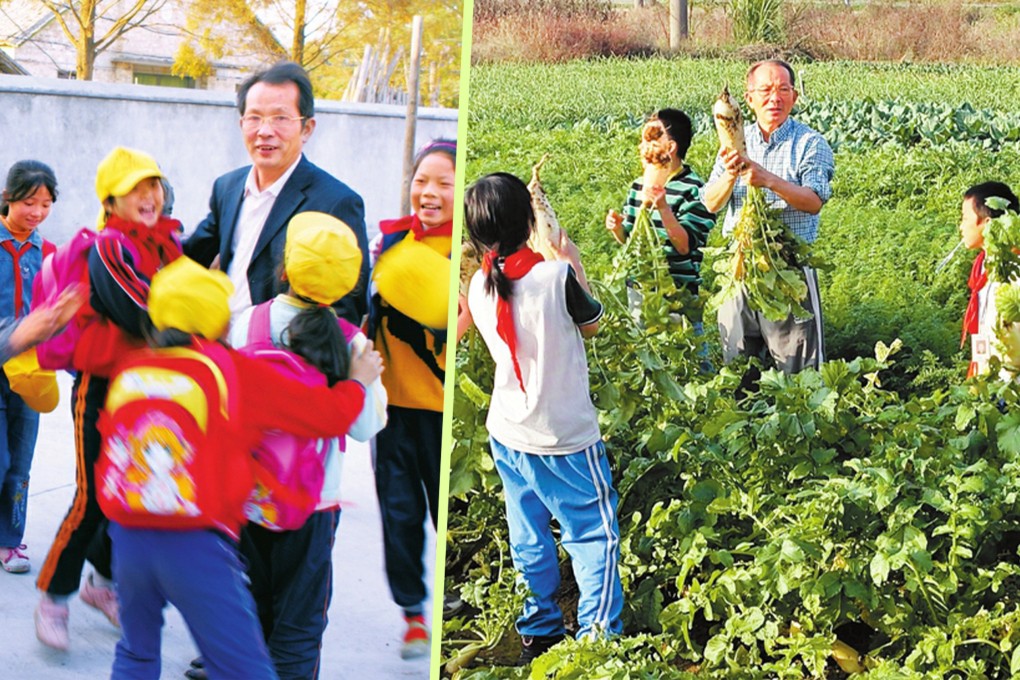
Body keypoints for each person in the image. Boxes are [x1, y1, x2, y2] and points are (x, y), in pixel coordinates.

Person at [98, 255, 383, 680]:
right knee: (245, 668)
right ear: (216, 321)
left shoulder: (131, 370)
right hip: (194, 543)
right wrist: (357, 381)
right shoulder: (227, 370)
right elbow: (326, 415)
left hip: (127, 538)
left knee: (137, 653)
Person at [463, 172, 624, 664]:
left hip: (509, 433)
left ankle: (538, 626)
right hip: (565, 438)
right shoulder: (555, 278)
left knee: (528, 531)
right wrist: (569, 259)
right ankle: (597, 640)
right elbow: (594, 324)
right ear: (529, 221)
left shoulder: (478, 284)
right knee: (594, 534)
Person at [223, 212, 387, 680]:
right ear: (345, 285)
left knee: (251, 608)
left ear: (285, 268)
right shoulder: (352, 345)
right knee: (300, 622)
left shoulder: (244, 325)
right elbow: (363, 427)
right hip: (313, 507)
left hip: (247, 498)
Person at [34, 146, 183, 651]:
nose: (149, 197)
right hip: (102, 391)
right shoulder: (109, 248)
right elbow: (141, 312)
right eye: (136, 189)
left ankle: (101, 586)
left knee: (129, 500)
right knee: (91, 499)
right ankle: (54, 596)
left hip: (151, 394)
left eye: (154, 185)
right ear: (111, 199)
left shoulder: (169, 245)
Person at [184, 60, 369, 326]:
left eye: (280, 118)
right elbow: (192, 256)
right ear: (242, 124)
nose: (265, 131)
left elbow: (346, 309)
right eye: (255, 118)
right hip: (219, 347)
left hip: (281, 357)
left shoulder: (336, 202)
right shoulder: (227, 187)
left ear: (306, 128)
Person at [367, 138, 454, 658]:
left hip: (444, 413)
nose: (429, 192)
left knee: (448, 515)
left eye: (443, 182)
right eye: (423, 180)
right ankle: (414, 615)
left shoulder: (470, 249)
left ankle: (450, 601)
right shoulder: (392, 244)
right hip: (393, 411)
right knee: (398, 516)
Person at [702, 59, 835, 374]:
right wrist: (731, 175)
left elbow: (814, 200)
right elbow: (710, 202)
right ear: (749, 99)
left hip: (787, 269)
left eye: (783, 90)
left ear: (794, 97)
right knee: (736, 366)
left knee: (797, 369)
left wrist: (767, 179)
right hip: (740, 269)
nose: (774, 98)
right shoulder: (734, 141)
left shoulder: (809, 144)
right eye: (765, 90)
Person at [0, 160, 59, 573]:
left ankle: (10, 542)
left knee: (21, 461)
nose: (36, 212)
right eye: (28, 202)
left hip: (31, 373)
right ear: (8, 199)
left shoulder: (50, 253)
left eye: (45, 203)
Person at [605, 108, 717, 298]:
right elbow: (629, 238)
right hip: (639, 286)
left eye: (650, 140)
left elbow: (684, 246)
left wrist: (663, 208)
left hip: (680, 291)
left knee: (683, 328)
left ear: (670, 148)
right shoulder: (638, 186)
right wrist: (617, 228)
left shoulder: (694, 189)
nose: (641, 147)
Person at [959, 181, 1020, 378]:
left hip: (1010, 384)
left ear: (987, 223)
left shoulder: (1013, 269)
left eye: (965, 218)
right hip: (989, 380)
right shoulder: (983, 267)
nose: (961, 227)